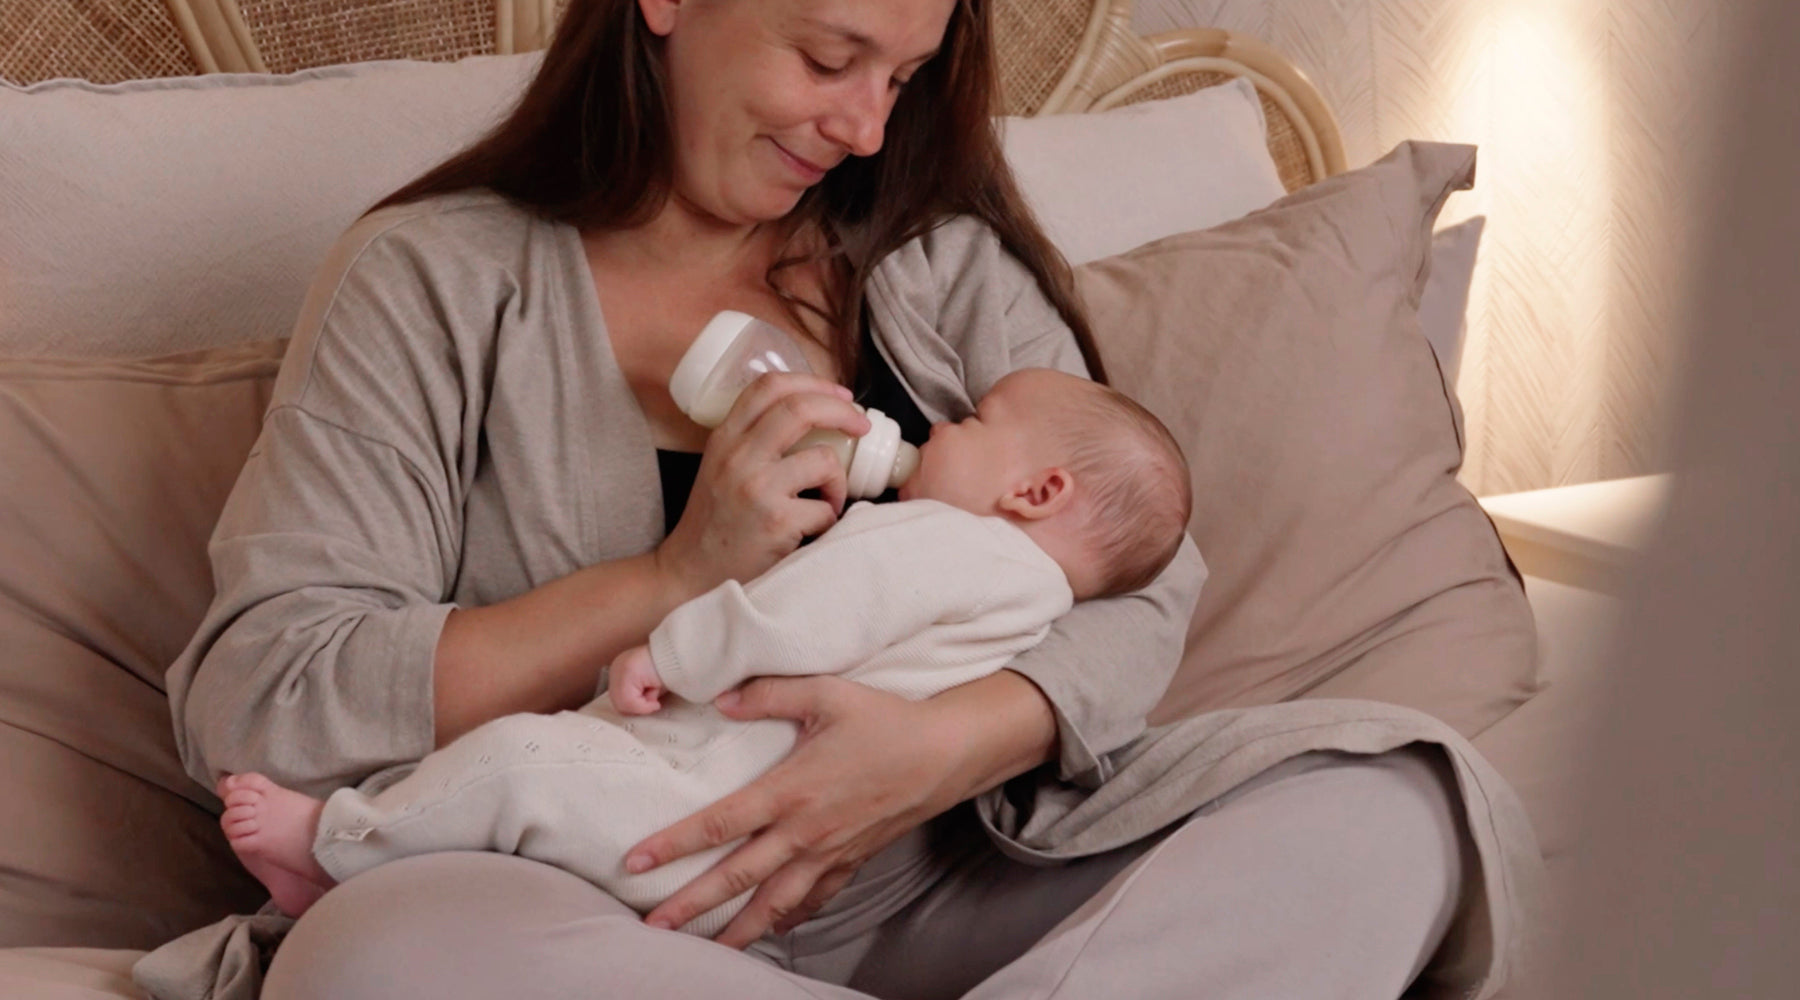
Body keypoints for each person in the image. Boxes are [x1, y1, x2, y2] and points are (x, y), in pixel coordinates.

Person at [152, 2, 1509, 998]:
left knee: (1394, 796)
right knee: (386, 960)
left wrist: (940, 748)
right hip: (599, 888)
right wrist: (673, 579)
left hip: (949, 875)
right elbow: (264, 695)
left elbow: (1141, 572)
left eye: (904, 78)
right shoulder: (433, 282)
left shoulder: (938, 265)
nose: (867, 127)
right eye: (830, 56)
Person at [212, 367, 1193, 936]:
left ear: (1039, 492)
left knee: (518, 764)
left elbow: (809, 609)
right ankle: (357, 875)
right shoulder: (1028, 600)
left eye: (973, 421)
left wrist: (672, 652)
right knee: (521, 802)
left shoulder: (946, 542)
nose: (940, 423)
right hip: (737, 856)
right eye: (825, 57)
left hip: (688, 813)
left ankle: (340, 842)